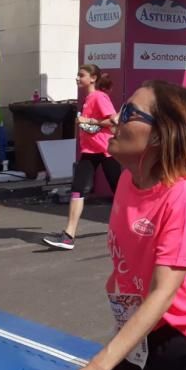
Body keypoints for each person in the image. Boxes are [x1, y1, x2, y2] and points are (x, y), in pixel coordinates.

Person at [68, 81, 186, 370]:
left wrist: (96, 369)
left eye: (129, 113)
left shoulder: (185, 197)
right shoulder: (125, 181)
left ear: (161, 134)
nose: (115, 120)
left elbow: (163, 293)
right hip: (142, 333)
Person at [43, 65, 120, 251]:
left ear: (93, 78)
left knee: (122, 191)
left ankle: (145, 227)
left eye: (81, 75)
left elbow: (114, 120)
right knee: (77, 190)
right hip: (90, 152)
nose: (77, 78)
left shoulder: (99, 97)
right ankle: (68, 236)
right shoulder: (88, 98)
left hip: (106, 151)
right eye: (77, 75)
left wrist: (90, 121)